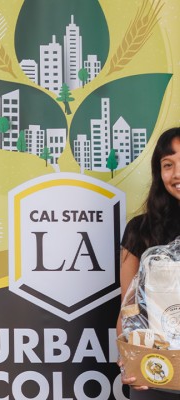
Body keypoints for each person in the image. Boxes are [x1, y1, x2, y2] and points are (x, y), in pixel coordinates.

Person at [117, 127, 180, 399]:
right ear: (159, 173)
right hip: (157, 374)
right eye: (168, 165)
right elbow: (128, 311)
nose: (177, 173)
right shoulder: (140, 231)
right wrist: (129, 360)